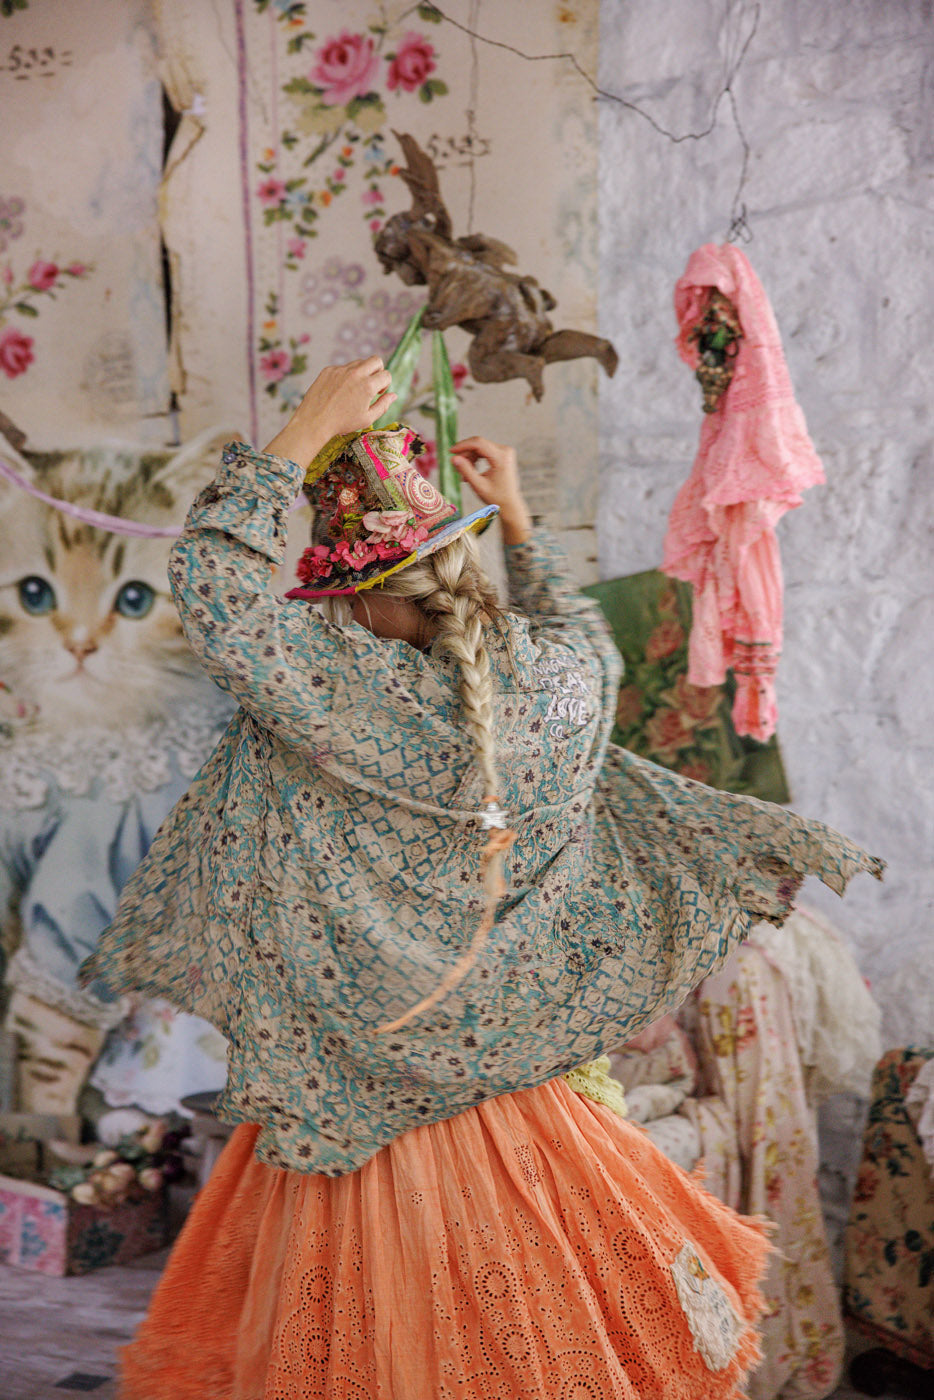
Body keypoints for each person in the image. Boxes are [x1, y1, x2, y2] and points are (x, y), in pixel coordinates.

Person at [80, 357, 881, 1399]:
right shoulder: (559, 680)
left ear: (358, 599)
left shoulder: (344, 691)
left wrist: (304, 428)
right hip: (521, 1076)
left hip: (360, 1087)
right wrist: (521, 521)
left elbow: (215, 592)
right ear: (456, 556)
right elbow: (591, 645)